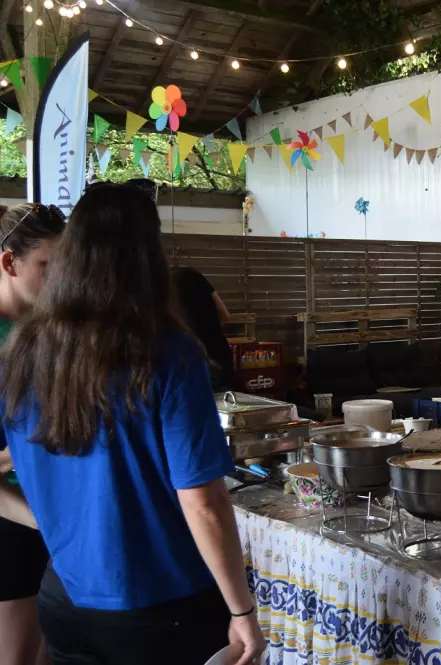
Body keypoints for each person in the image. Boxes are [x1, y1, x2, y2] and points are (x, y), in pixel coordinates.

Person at [0, 184, 264, 665]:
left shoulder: (22, 348)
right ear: (149, 257)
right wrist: (241, 610)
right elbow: (203, 502)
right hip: (162, 604)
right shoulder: (167, 352)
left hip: (64, 598)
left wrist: (58, 524)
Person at [0, 203, 65, 665]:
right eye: (47, 266)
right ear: (10, 262)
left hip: (55, 518)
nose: (59, 280)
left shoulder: (51, 332)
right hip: (13, 524)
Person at [123, 178, 235, 392]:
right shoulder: (192, 276)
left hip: (187, 370)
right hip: (217, 364)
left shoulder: (151, 288)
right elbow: (224, 314)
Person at [172, 266, 235, 392]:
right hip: (220, 359)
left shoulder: (163, 287)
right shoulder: (193, 275)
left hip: (191, 365)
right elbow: (224, 314)